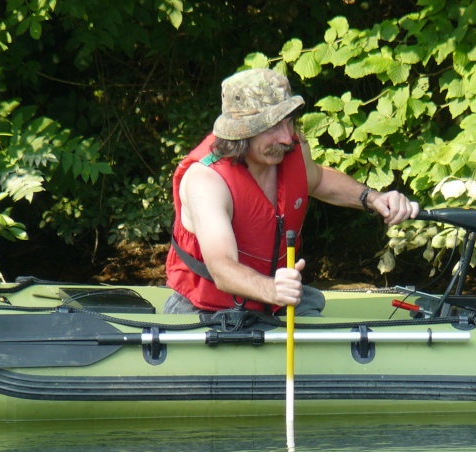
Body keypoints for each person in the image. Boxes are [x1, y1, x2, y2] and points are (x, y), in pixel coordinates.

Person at [164, 68, 419, 316]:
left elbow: (318, 181)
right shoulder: (206, 181)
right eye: (273, 126)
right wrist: (273, 289)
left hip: (276, 302)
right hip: (207, 308)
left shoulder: (290, 150)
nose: (287, 138)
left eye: (289, 123)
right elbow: (222, 267)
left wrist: (372, 198)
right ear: (241, 132)